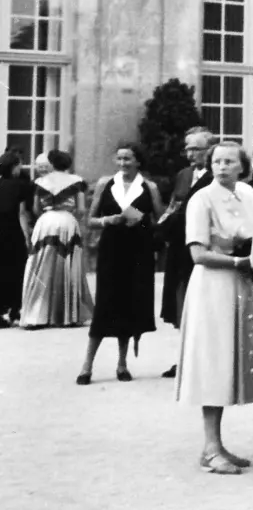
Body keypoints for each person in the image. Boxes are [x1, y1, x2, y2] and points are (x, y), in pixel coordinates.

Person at [175, 142, 253, 475]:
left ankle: (218, 444)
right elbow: (198, 254)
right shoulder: (201, 198)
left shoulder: (251, 195)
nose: (221, 166)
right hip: (213, 286)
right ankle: (210, 447)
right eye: (216, 161)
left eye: (229, 161)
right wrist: (242, 260)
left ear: (242, 166)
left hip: (241, 285)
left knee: (229, 361)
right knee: (213, 360)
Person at [78, 144, 163, 383]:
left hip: (139, 251)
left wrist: (141, 219)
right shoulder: (106, 184)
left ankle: (122, 364)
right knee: (105, 303)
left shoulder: (150, 187)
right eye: (120, 158)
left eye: (128, 159)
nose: (123, 163)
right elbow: (90, 220)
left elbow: (159, 219)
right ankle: (87, 365)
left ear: (138, 162)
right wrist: (108, 220)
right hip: (112, 249)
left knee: (129, 304)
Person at [159, 128, 219, 376]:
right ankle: (185, 357)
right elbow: (173, 205)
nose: (190, 153)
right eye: (188, 148)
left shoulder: (218, 176)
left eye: (196, 148)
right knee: (181, 301)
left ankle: (207, 358)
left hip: (204, 246)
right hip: (179, 246)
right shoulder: (183, 175)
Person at [18, 150, 92, 328]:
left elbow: (35, 208)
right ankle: (66, 314)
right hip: (67, 221)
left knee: (40, 264)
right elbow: (81, 209)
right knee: (67, 264)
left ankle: (36, 313)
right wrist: (72, 216)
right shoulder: (77, 181)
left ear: (52, 163)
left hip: (46, 222)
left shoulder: (40, 182)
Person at [0, 152, 29, 326]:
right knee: (18, 269)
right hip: (13, 232)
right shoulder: (21, 186)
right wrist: (27, 236)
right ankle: (15, 309)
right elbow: (22, 213)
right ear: (14, 167)